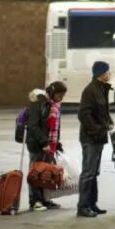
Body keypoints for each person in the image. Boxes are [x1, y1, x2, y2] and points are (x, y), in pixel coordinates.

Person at [77, 61, 113, 218]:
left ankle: (92, 204)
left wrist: (108, 122)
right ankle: (83, 206)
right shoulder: (90, 90)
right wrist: (96, 130)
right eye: (107, 71)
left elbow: (102, 111)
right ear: (101, 73)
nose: (109, 74)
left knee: (94, 172)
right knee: (88, 172)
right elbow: (83, 114)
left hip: (98, 137)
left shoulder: (101, 89)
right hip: (90, 138)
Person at [26, 80, 68, 211]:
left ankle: (45, 199)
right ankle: (35, 201)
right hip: (37, 143)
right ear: (53, 92)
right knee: (35, 172)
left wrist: (56, 142)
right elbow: (33, 125)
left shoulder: (54, 104)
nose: (61, 98)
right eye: (60, 95)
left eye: (63, 96)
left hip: (49, 144)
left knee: (46, 173)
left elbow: (54, 126)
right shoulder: (39, 101)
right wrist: (44, 142)